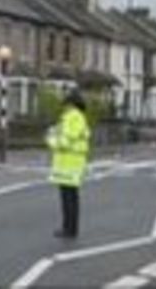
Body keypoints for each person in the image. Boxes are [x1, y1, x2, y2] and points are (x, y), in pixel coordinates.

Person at [46, 89, 91, 238]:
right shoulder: (72, 117)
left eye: (66, 104)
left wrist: (51, 140)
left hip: (70, 164)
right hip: (69, 163)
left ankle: (69, 229)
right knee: (69, 197)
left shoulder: (74, 118)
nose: (64, 107)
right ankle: (69, 228)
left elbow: (66, 140)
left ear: (72, 104)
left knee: (69, 198)